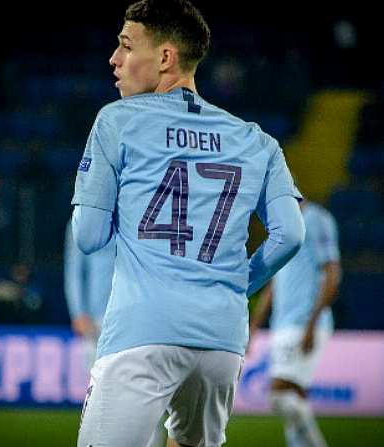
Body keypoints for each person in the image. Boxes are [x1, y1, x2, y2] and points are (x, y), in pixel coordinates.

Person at [71, 1, 306, 446]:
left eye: (125, 46)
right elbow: (291, 235)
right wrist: (237, 283)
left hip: (142, 330)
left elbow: (88, 237)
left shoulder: (116, 121)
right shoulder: (256, 140)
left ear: (165, 58)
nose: (114, 59)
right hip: (222, 338)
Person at [249, 200, 341, 447]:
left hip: (304, 322)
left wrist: (312, 324)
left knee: (279, 394)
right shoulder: (281, 227)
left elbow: (332, 271)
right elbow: (273, 282)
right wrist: (254, 326)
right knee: (296, 397)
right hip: (282, 324)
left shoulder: (317, 219)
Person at [63, 217, 115, 369]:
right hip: (97, 315)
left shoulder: (133, 210)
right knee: (98, 379)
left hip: (131, 310)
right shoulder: (81, 218)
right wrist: (78, 312)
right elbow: (74, 270)